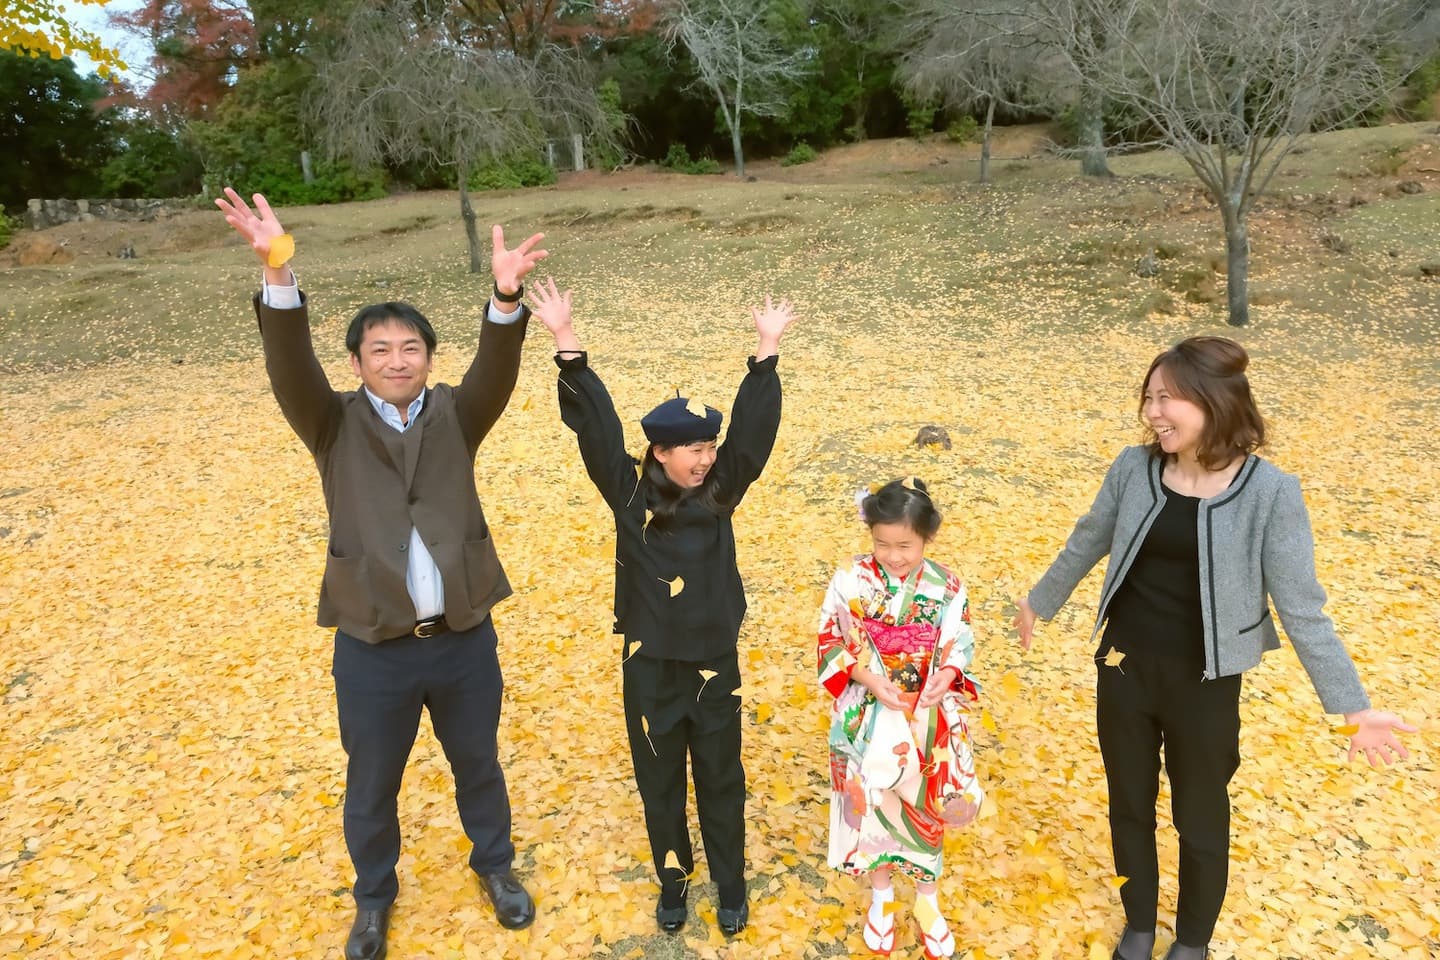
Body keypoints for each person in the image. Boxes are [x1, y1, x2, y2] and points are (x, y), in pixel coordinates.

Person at [215, 189, 546, 960]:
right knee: (371, 787)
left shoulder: (459, 414)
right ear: (358, 362)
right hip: (372, 646)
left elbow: (498, 365)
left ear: (429, 358)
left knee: (479, 766)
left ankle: (494, 868)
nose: (397, 361)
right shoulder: (330, 422)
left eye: (411, 349)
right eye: (380, 351)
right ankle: (373, 900)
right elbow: (288, 362)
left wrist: (504, 298)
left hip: (462, 636)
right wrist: (277, 271)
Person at [1012, 336, 1415, 960]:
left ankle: (1193, 940)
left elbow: (1302, 606)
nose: (1153, 412)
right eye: (1148, 398)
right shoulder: (1134, 467)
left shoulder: (1269, 492)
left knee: (1200, 817)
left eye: (1167, 398)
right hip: (1122, 664)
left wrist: (1353, 706)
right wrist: (1041, 598)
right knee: (1128, 805)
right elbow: (1090, 536)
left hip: (1206, 681)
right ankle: (1139, 923)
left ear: (1214, 403)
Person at [525, 278, 795, 936]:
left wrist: (765, 354)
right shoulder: (628, 493)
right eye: (692, 451)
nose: (704, 460)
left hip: (711, 659)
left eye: (709, 448)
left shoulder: (721, 489)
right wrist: (567, 344)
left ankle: (730, 884)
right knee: (660, 781)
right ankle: (673, 882)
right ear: (659, 453)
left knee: (720, 777)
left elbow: (753, 438)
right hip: (649, 664)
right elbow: (597, 430)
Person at [817, 478, 984, 959]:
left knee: (925, 804)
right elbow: (830, 637)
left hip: (926, 714)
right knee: (872, 805)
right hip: (866, 709)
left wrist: (948, 671)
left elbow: (960, 639)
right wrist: (868, 678)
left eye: (905, 546)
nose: (893, 556)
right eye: (882, 544)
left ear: (927, 538)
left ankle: (928, 902)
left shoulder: (946, 585)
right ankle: (882, 896)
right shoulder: (850, 579)